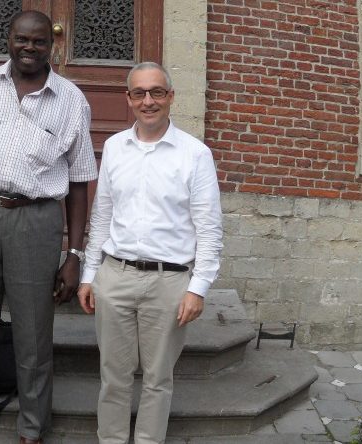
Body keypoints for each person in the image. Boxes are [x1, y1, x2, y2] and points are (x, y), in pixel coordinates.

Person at [0, 10, 97, 444]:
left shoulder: (71, 100)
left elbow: (79, 181)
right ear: (8, 39)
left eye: (39, 41)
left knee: (33, 330)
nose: (29, 47)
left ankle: (32, 427)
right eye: (22, 39)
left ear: (52, 45)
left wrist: (74, 254)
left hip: (37, 220)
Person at [77, 62, 223, 444]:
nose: (148, 101)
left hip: (169, 282)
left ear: (170, 97)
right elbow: (102, 215)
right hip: (116, 276)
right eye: (139, 93)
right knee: (113, 376)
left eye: (157, 92)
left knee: (158, 379)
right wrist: (89, 275)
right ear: (128, 99)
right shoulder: (114, 148)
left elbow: (209, 229)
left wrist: (198, 288)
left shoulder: (195, 154)